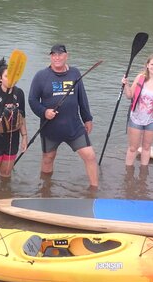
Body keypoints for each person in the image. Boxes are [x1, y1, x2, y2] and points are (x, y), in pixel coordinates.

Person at [28, 44, 99, 188]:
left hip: (74, 126)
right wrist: (44, 112)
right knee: (48, 158)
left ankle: (94, 190)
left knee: (90, 156)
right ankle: (45, 190)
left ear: (67, 55)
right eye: (54, 55)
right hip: (50, 127)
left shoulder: (75, 73)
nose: (57, 57)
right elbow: (32, 100)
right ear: (50, 57)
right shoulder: (41, 76)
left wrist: (87, 118)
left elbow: (82, 97)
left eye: (60, 54)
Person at [121, 54, 153, 167]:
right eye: (152, 64)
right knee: (133, 148)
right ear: (147, 65)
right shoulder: (140, 78)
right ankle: (128, 173)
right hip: (136, 119)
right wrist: (125, 85)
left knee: (146, 148)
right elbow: (129, 95)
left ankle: (143, 173)